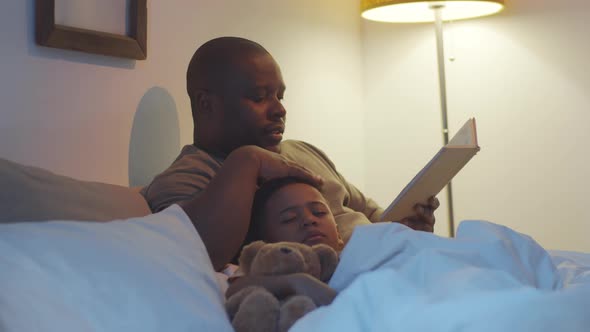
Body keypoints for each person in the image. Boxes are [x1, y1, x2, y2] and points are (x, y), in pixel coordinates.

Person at [142, 36, 439, 266]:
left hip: (398, 263)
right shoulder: (185, 179)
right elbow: (197, 254)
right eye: (259, 97)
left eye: (279, 96)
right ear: (206, 104)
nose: (280, 109)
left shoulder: (302, 151)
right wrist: (248, 160)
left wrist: (407, 228)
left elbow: (374, 216)